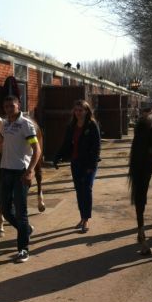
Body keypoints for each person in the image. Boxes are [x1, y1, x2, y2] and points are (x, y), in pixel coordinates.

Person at [0, 95, 41, 263]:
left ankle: (23, 249)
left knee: (21, 211)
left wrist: (30, 170)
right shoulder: (5, 123)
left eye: (12, 106)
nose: (9, 109)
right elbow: (3, 143)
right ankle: (26, 230)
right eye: (6, 106)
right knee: (5, 209)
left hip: (20, 173)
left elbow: (36, 150)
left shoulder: (26, 124)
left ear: (18, 105)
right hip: (5, 171)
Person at [54, 99, 101, 233]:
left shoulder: (92, 125)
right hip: (75, 163)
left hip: (89, 164)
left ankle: (86, 220)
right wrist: (58, 156)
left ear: (87, 111)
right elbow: (66, 143)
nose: (78, 113)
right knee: (79, 191)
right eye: (76, 110)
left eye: (81, 110)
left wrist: (92, 165)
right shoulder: (72, 125)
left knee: (86, 190)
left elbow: (96, 146)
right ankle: (82, 217)